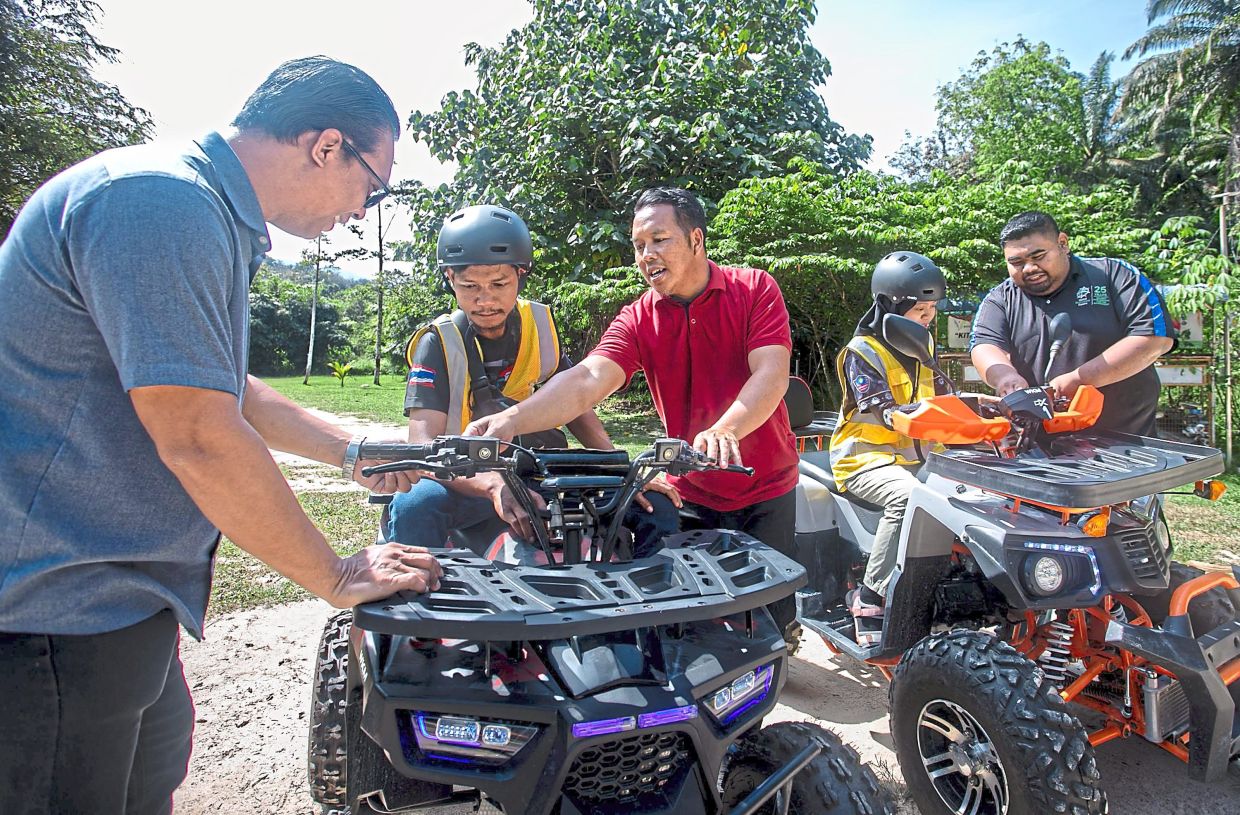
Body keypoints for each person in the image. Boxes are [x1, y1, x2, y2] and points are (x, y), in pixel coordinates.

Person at [0, 57, 443, 815]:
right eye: (373, 186)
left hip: (123, 599)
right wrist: (335, 574)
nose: (364, 210)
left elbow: (215, 381)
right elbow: (199, 433)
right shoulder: (161, 201)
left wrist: (354, 451)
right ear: (327, 145)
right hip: (55, 609)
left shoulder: (200, 209)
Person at [465, 186, 802, 643]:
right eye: (639, 246)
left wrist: (726, 428)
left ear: (697, 240)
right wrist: (512, 420)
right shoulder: (639, 316)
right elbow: (587, 380)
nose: (646, 255)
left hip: (766, 485)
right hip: (691, 489)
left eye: (659, 240)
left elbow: (771, 374)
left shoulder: (754, 288)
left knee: (770, 626)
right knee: (688, 623)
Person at [386, 204, 678, 555]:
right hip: (469, 478)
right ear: (449, 279)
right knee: (415, 504)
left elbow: (575, 404)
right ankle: (411, 600)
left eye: (499, 284)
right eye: (469, 286)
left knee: (653, 506)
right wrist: (494, 486)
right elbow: (424, 447)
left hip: (538, 470)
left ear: (520, 275)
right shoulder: (437, 342)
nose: (485, 299)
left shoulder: (540, 326)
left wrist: (622, 468)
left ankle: (662, 601)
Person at [828, 252, 950, 645]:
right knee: (911, 500)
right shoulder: (862, 352)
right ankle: (870, 598)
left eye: (932, 309)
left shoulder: (923, 342)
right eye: (919, 309)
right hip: (865, 460)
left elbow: (944, 395)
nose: (928, 316)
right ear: (889, 307)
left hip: (921, 459)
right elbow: (882, 410)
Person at [970, 211, 1175, 435]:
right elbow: (985, 345)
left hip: (1126, 441)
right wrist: (1006, 379)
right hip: (1035, 446)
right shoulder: (1000, 298)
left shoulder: (1114, 275)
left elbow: (1154, 339)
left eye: (1038, 256)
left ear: (1063, 244)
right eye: (1017, 262)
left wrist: (1080, 379)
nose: (1029, 268)